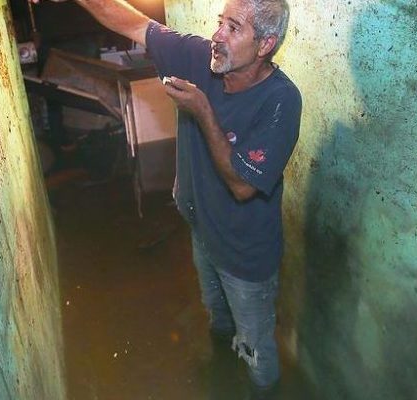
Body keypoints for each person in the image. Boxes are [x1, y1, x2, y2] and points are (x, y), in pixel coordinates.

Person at [32, 0, 301, 397]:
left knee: (256, 349)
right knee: (217, 318)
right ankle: (221, 373)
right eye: (220, 22)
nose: (218, 36)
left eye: (234, 28)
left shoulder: (280, 101)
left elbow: (242, 186)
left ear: (265, 45)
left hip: (246, 256)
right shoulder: (198, 57)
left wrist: (203, 112)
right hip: (203, 232)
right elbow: (130, 22)